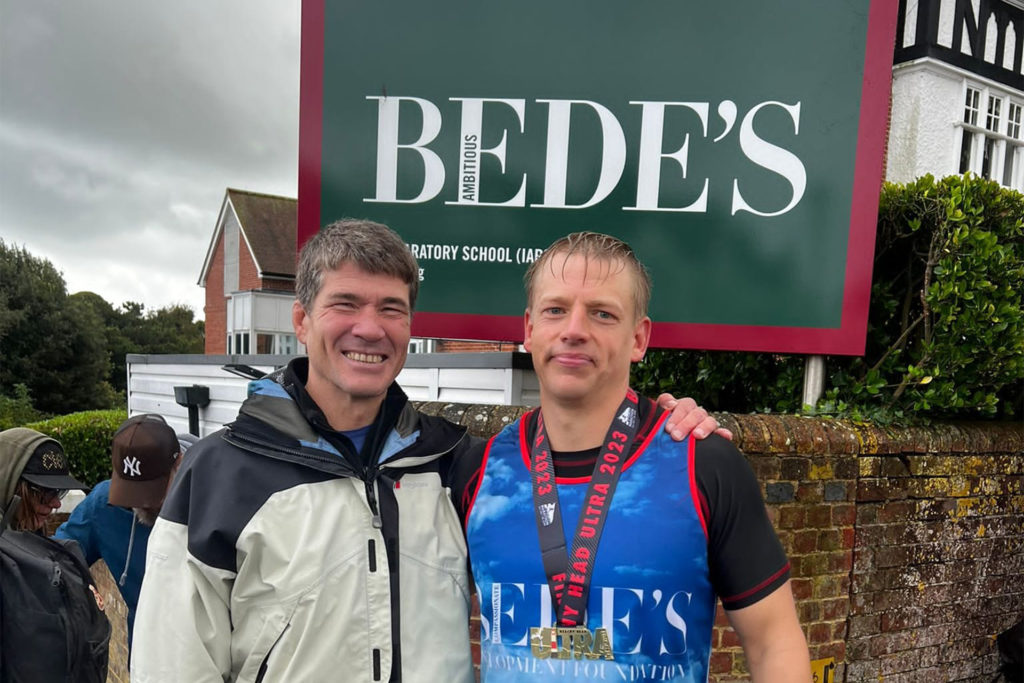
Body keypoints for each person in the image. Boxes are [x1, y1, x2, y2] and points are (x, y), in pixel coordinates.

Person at [132, 219, 723, 683]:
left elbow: (577, 470)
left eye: (391, 308)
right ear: (302, 320)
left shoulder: (455, 463)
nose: (370, 327)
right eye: (346, 303)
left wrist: (663, 419)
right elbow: (171, 664)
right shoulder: (217, 476)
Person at [463, 232, 811, 681]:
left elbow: (774, 643)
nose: (574, 330)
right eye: (556, 309)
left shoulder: (705, 465)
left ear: (638, 338)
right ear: (529, 329)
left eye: (602, 314)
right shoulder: (477, 470)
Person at [55, 413, 188, 648]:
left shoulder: (213, 499)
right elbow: (57, 559)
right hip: (145, 656)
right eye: (131, 491)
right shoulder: (103, 505)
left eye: (151, 489)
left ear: (179, 465)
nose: (142, 503)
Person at [0, 428, 110, 682]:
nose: (56, 504)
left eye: (58, 493)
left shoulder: (32, 543)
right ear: (8, 484)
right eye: (44, 492)